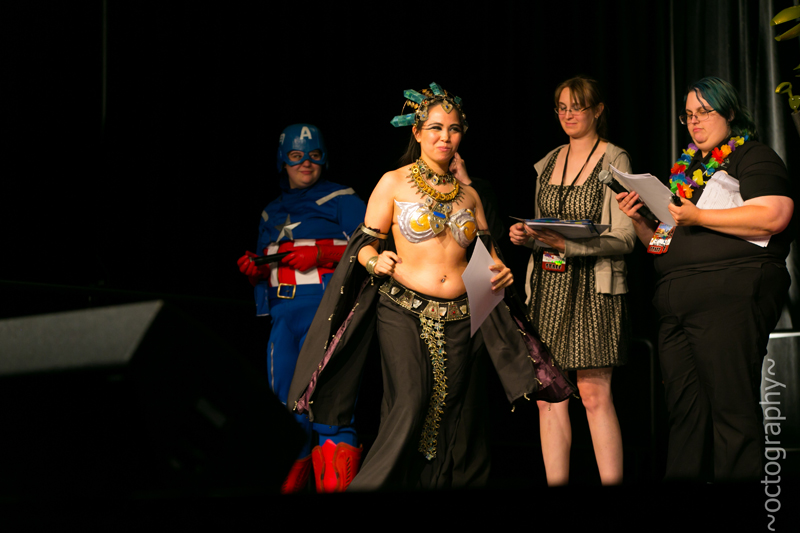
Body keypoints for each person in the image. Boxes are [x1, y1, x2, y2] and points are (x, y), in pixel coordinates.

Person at [287, 83, 575, 491]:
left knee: (454, 415)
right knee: (409, 403)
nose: (445, 137)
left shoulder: (470, 196)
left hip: (463, 317)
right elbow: (363, 246)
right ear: (417, 132)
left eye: (454, 129)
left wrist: (501, 272)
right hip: (402, 311)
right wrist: (374, 260)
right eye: (436, 128)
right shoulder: (394, 183)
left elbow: (488, 257)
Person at [616, 76, 794, 481]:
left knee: (731, 409)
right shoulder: (687, 173)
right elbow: (660, 245)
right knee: (685, 414)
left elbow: (775, 215)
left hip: (727, 296)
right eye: (688, 115)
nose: (695, 122)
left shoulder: (752, 156)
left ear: (729, 113)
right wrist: (640, 220)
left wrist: (698, 216)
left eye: (704, 112)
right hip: (676, 303)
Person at [510, 76, 635, 486]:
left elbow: (626, 238)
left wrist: (570, 245)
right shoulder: (547, 162)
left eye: (577, 107)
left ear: (598, 110)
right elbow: (542, 231)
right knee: (549, 398)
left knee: (594, 395)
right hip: (549, 287)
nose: (568, 115)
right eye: (562, 107)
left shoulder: (614, 159)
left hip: (593, 287)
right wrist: (527, 237)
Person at [236, 123, 367, 492]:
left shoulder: (341, 198)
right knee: (285, 412)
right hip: (284, 316)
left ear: (324, 159)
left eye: (314, 155)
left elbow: (374, 248)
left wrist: (322, 253)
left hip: (328, 313)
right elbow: (265, 270)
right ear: (283, 161)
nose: (306, 162)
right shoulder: (271, 212)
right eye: (296, 155)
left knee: (332, 408)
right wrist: (255, 271)